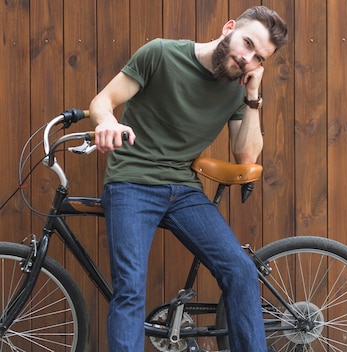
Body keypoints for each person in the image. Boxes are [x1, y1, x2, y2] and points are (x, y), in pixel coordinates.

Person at [88, 6, 288, 351]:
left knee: (241, 272)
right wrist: (107, 122)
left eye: (259, 57)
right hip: (131, 183)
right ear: (229, 28)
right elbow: (103, 101)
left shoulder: (238, 89)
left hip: (183, 190)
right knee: (130, 287)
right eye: (247, 44)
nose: (248, 58)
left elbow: (246, 155)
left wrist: (253, 97)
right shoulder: (161, 53)